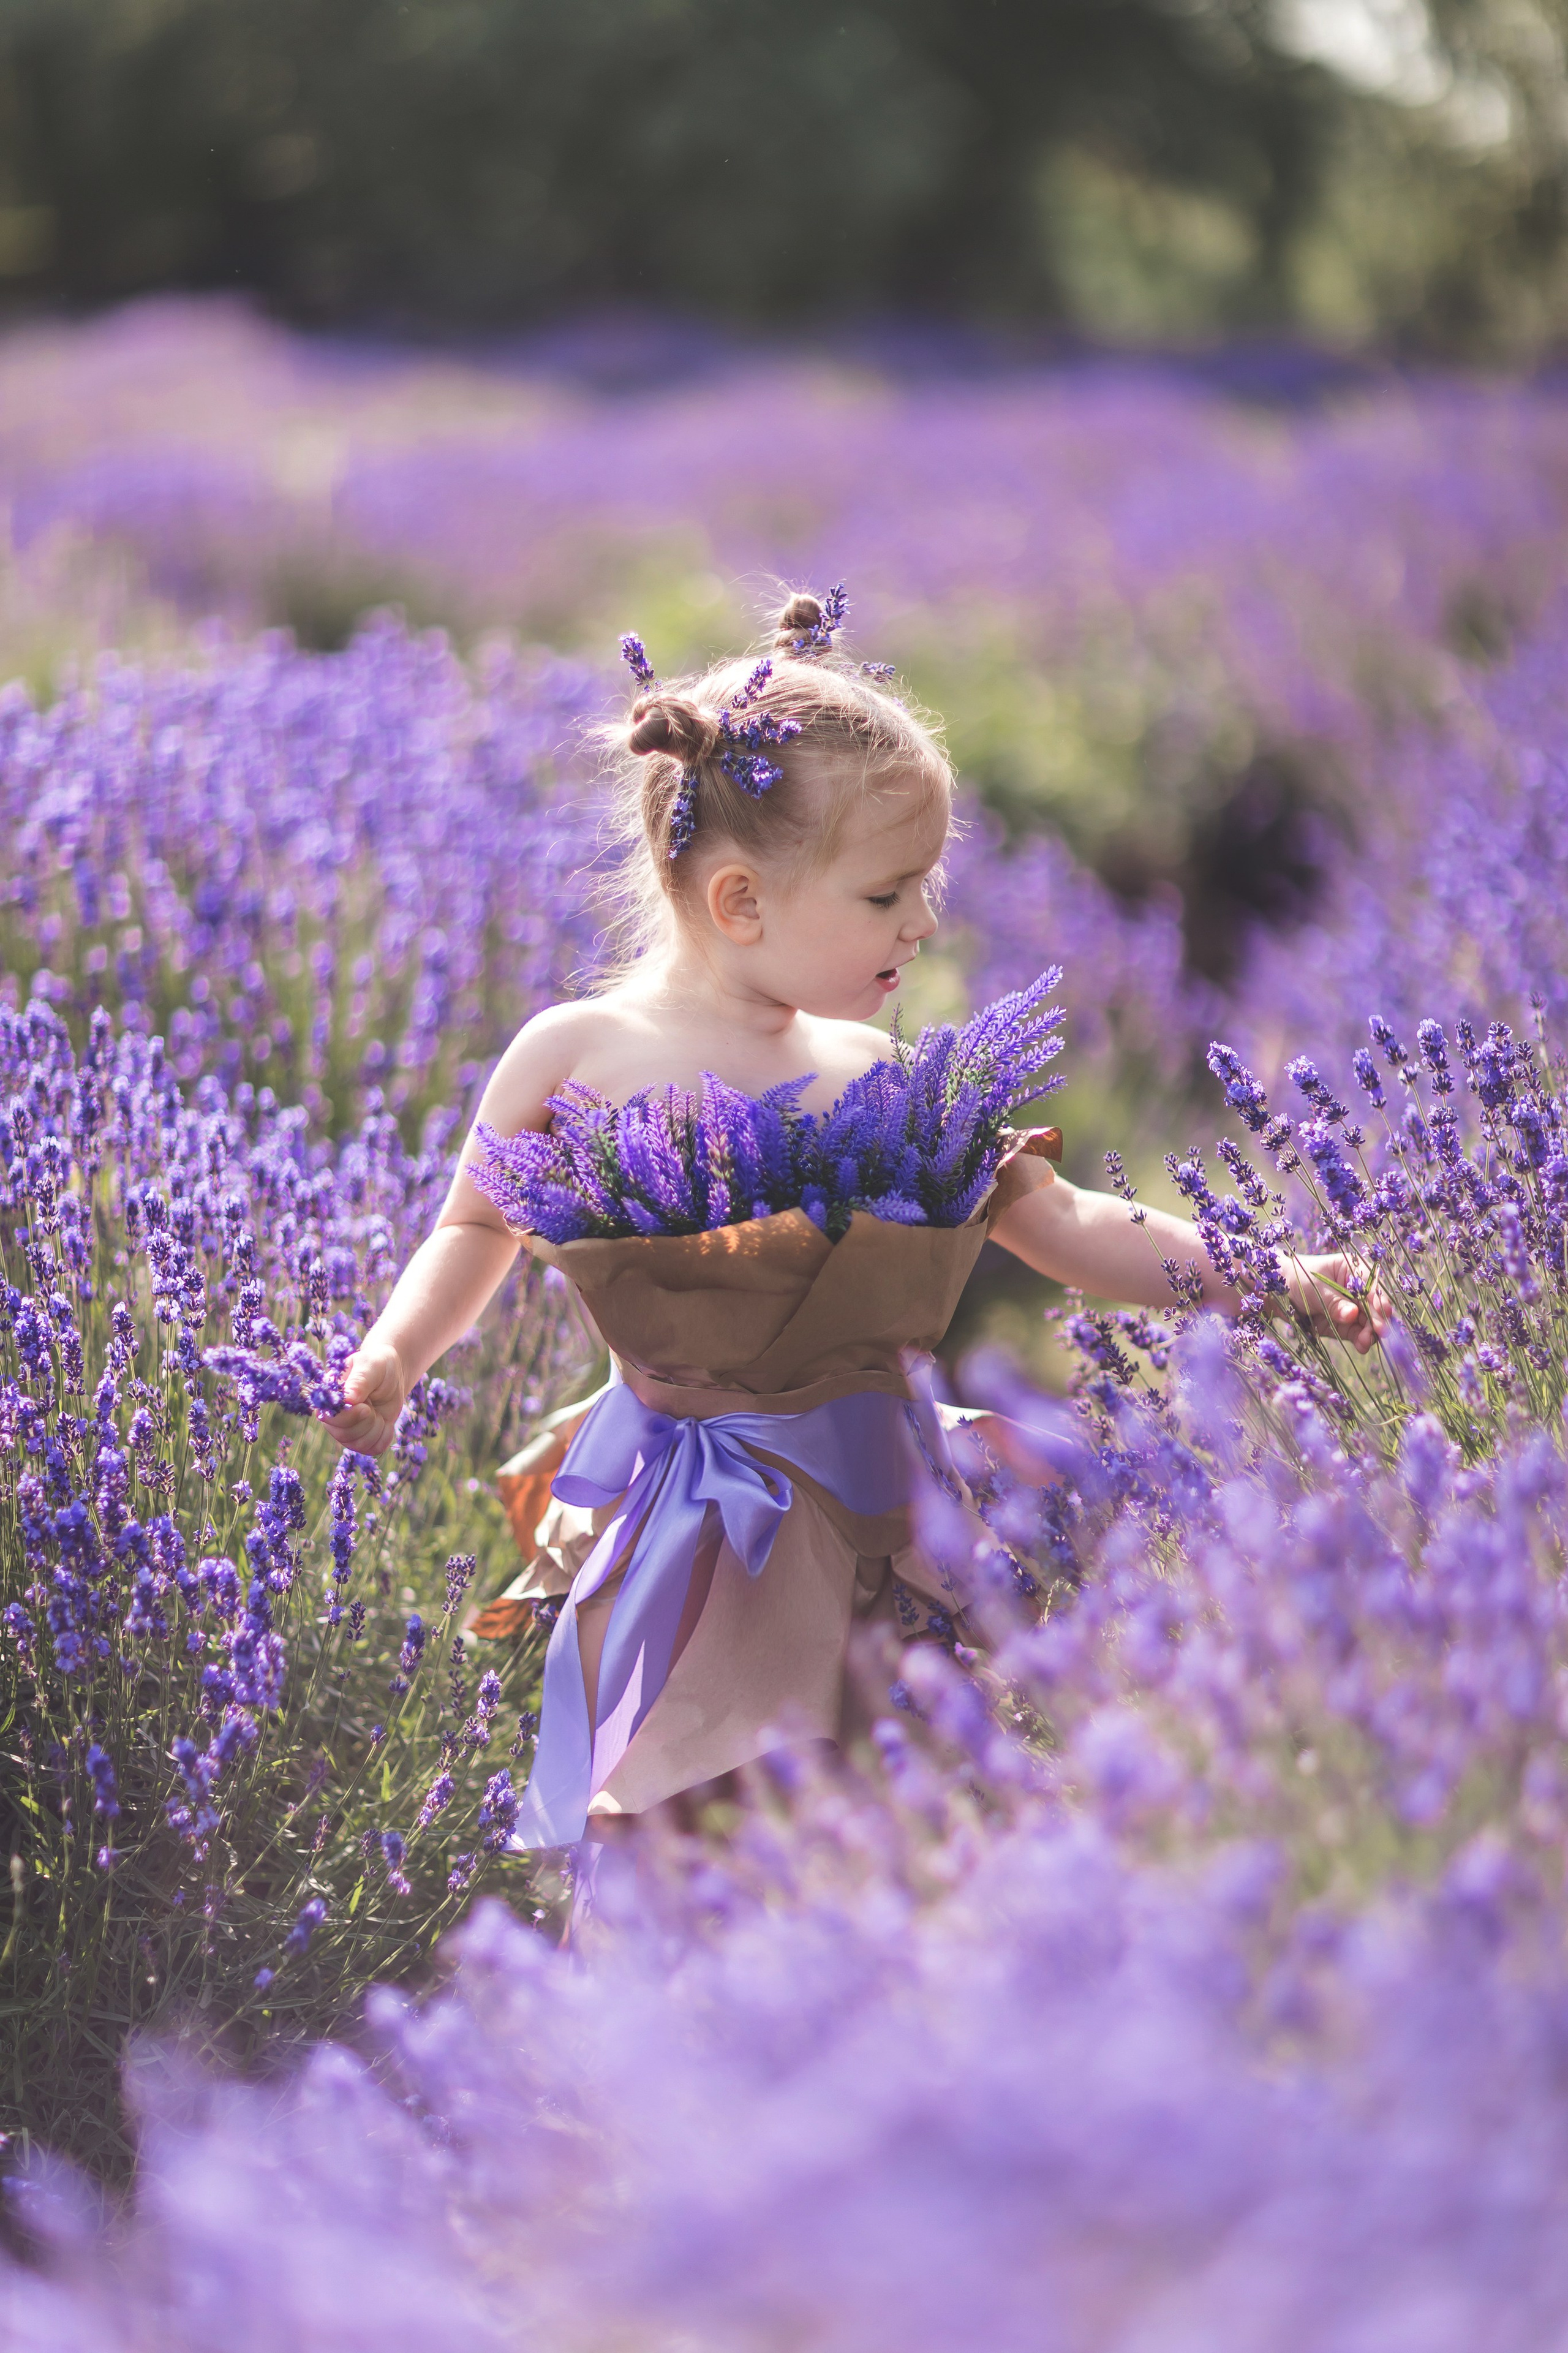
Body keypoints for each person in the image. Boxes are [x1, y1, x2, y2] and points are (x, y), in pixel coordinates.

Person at [322, 586, 1382, 1861]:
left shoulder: (871, 1068)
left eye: (926, 886)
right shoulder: (579, 1051)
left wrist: (1262, 1275)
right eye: (887, 895)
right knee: (667, 1814)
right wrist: (394, 1357)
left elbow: (1060, 1222)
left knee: (880, 1808)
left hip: (871, 1517)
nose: (924, 923)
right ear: (738, 903)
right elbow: (474, 1229)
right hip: (684, 1519)